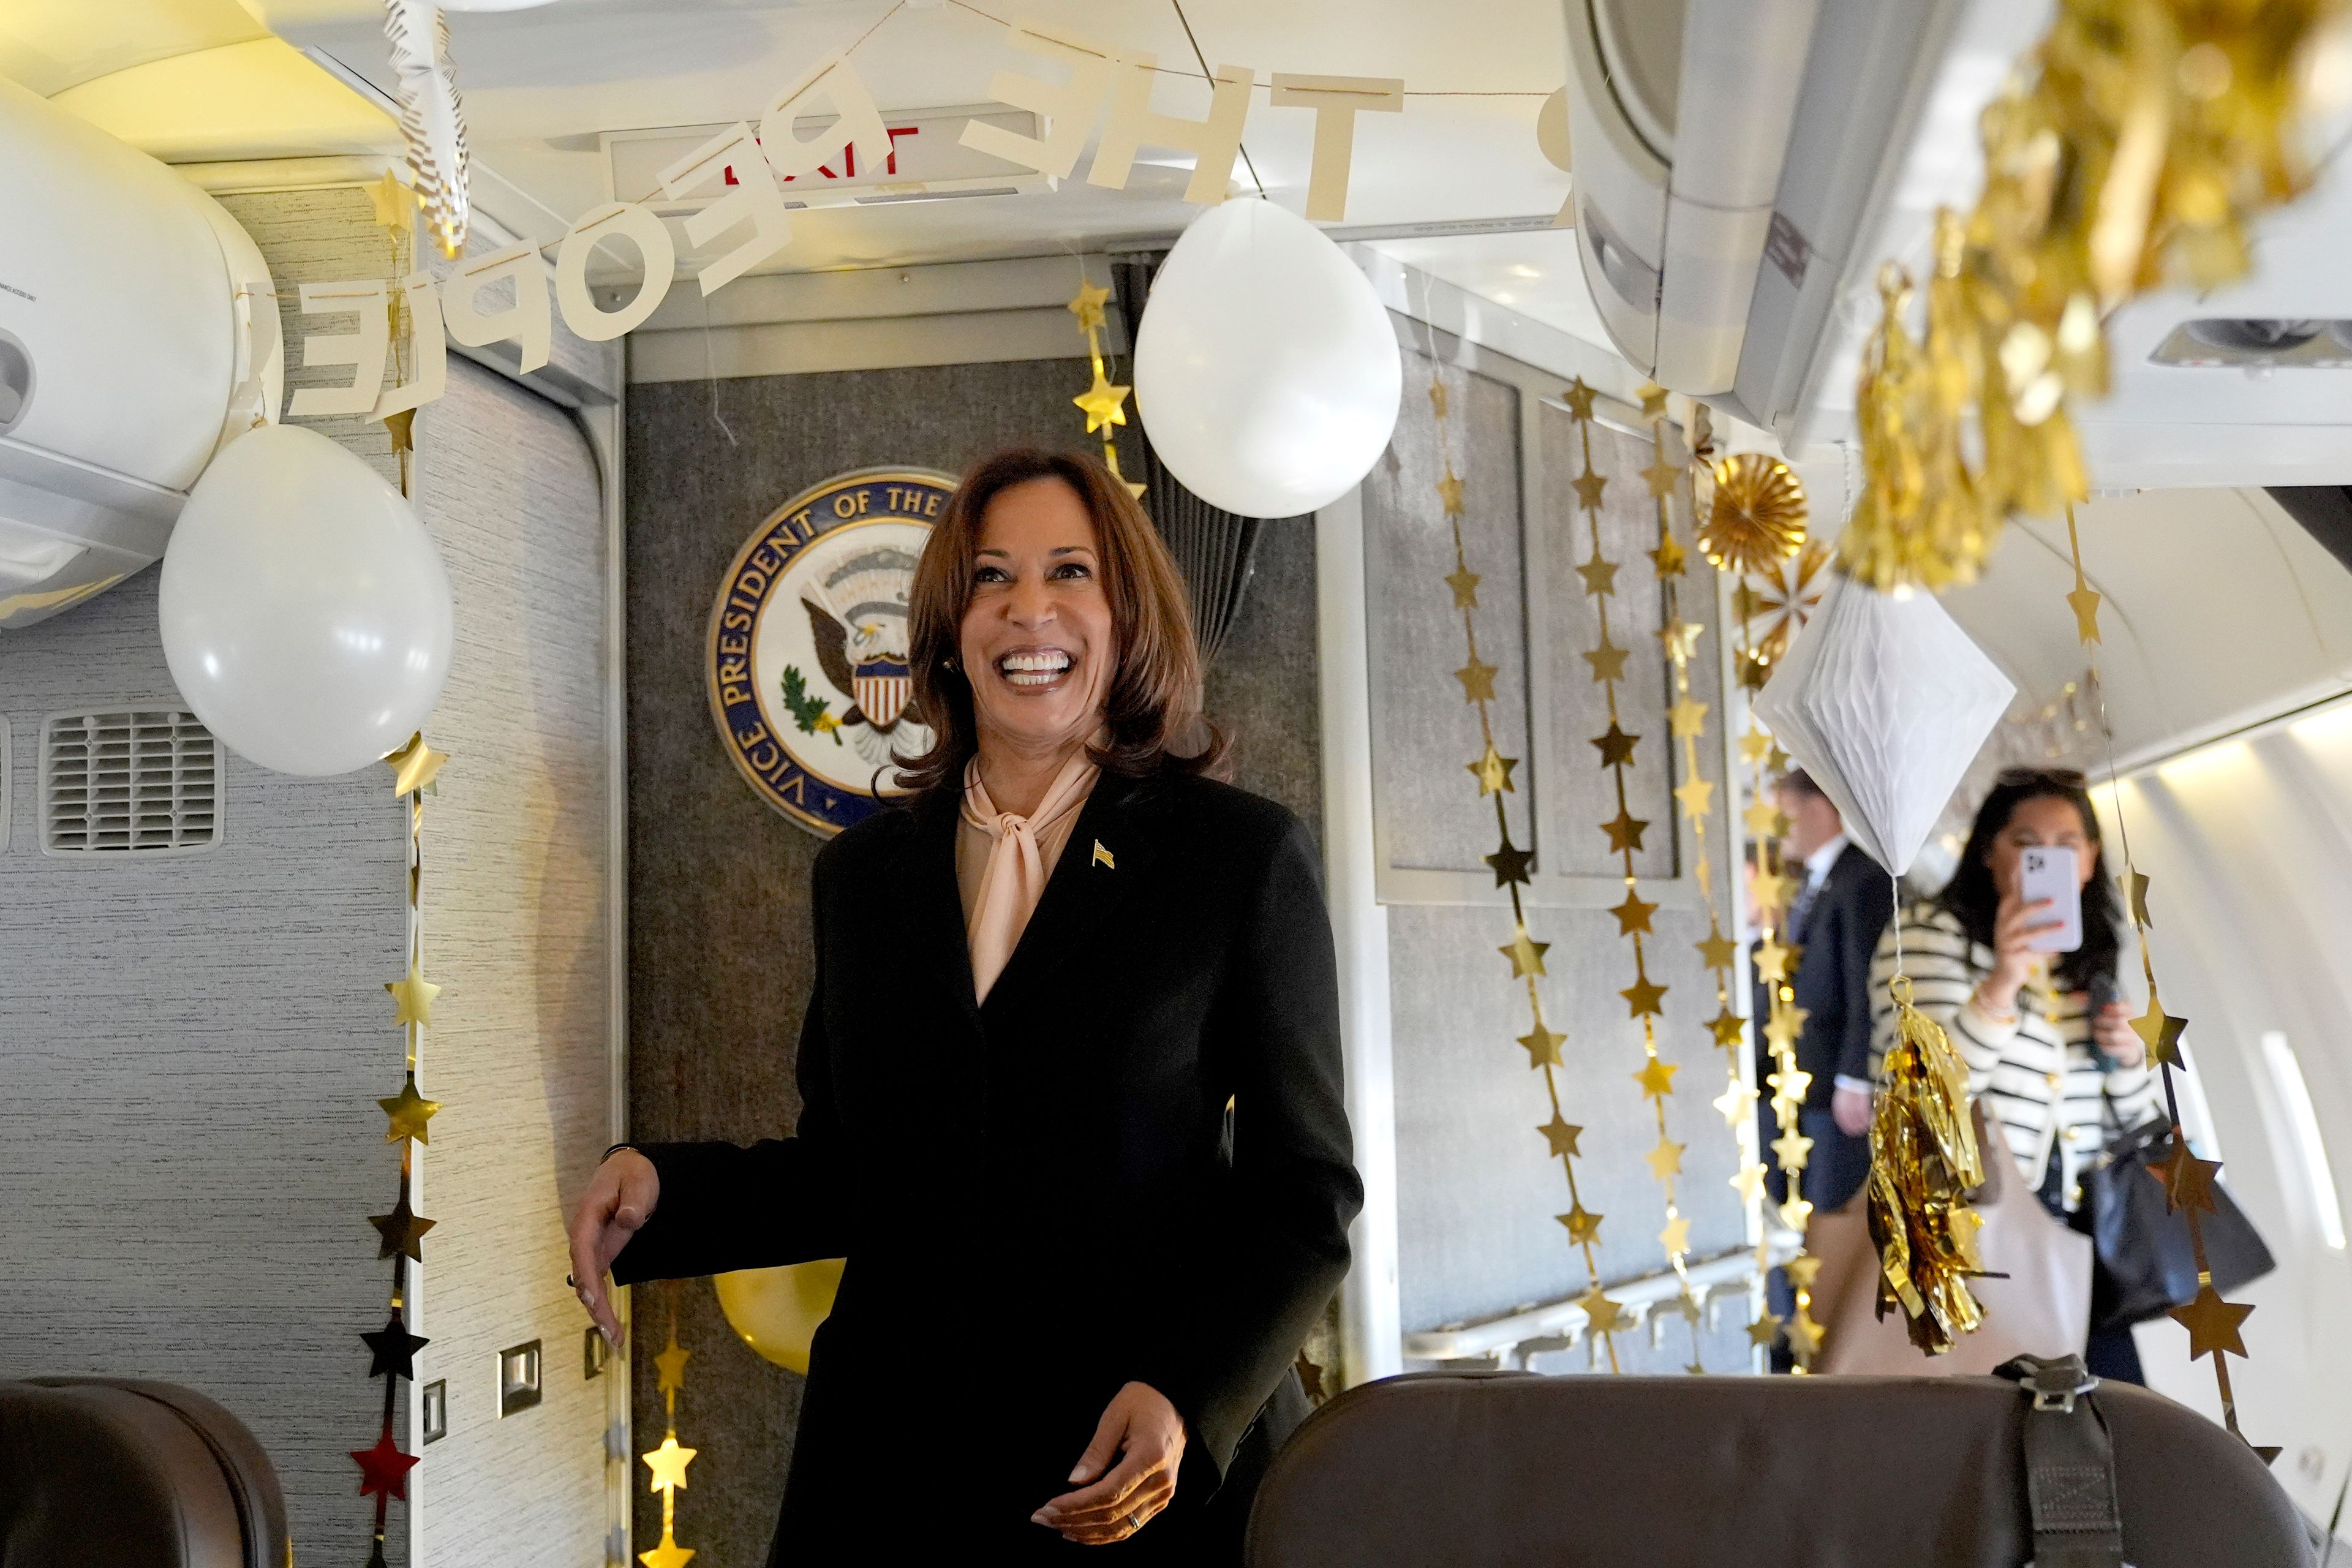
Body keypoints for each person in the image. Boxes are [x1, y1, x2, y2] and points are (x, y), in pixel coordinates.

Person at [565, 448, 1363, 1560]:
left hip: (1121, 1467)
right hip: (893, 1469)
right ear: (949, 627)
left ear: (1127, 616)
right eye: (992, 578)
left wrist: (1189, 1395)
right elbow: (853, 1174)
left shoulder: (1239, 859)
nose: (1028, 609)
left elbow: (1304, 1194)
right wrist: (666, 1189)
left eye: (1070, 572)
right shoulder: (865, 878)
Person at [1867, 766, 2159, 1382]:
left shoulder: (2088, 960)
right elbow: (1922, 1094)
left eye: (2066, 846)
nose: (2047, 860)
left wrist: (2131, 1058)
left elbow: (2133, 1119)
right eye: (2027, 846)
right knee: (2001, 1414)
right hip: (1974, 1225)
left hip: (2076, 1227)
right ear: (1989, 853)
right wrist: (2002, 983)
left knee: (2115, 1408)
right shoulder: (1929, 935)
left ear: (2090, 860)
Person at [1763, 770, 1896, 1218]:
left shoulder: (1863, 880)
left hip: (1838, 1079)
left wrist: (1856, 1077)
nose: (1776, 832)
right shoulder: (1815, 881)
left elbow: (1867, 984)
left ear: (1818, 808)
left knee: (1833, 1210)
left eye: (1784, 816)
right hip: (1807, 1075)